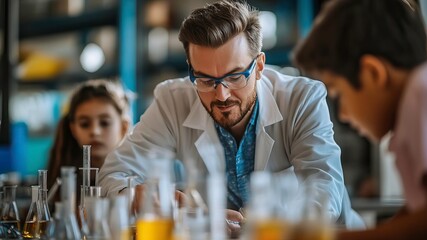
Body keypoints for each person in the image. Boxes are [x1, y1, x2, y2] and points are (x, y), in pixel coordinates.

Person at [99, 0, 364, 234]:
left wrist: (259, 224)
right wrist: (134, 194)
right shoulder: (172, 100)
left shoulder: (301, 98)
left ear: (259, 66)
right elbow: (113, 174)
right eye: (204, 79)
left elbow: (324, 189)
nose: (222, 95)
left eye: (235, 76)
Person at [293, 0, 427, 239]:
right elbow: (417, 211)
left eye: (339, 94)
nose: (343, 114)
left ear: (373, 73)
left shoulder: (421, 94)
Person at [47, 79, 130, 201]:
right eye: (85, 124)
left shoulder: (139, 180)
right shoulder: (59, 180)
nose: (95, 131)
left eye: (105, 123)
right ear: (73, 129)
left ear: (123, 127)